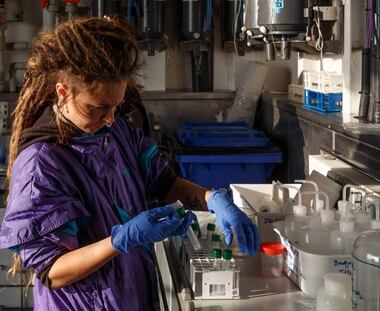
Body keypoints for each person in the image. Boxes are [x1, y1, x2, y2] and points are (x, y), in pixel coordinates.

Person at [0, 17, 259, 310]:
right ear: (63, 92)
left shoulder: (114, 130)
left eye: (116, 106)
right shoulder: (42, 165)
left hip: (131, 295)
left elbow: (164, 182)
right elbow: (52, 271)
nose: (111, 117)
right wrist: (121, 239)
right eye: (98, 108)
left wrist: (213, 198)